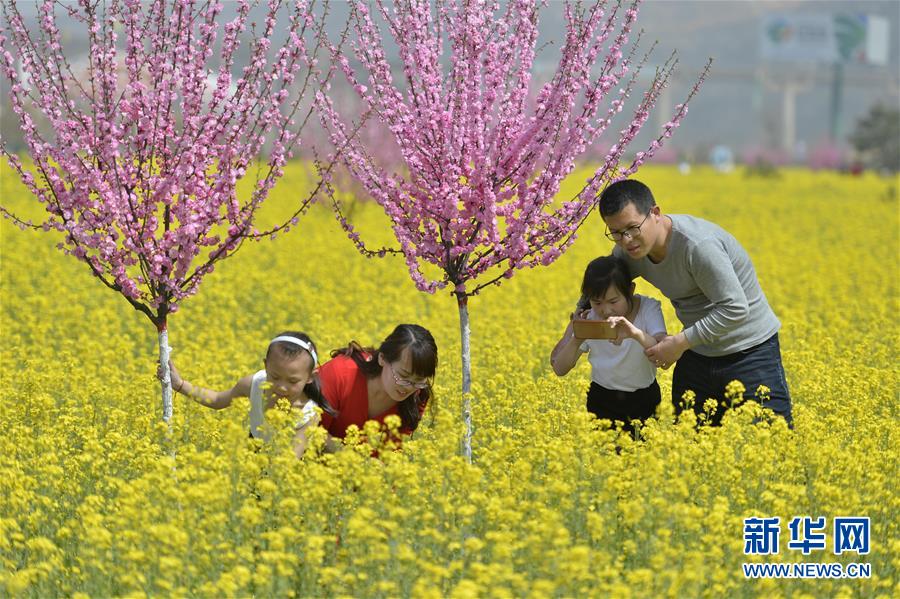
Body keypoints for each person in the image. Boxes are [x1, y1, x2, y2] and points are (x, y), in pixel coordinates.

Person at [597, 179, 792, 426]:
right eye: (615, 233)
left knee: (773, 442)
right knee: (690, 448)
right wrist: (582, 316)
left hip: (750, 351)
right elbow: (604, 283)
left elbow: (735, 308)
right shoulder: (630, 252)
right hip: (699, 353)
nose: (626, 240)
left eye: (633, 228)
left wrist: (679, 343)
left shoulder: (698, 247)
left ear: (655, 213)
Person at [166, 331, 336, 458]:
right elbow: (218, 400)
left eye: (292, 382)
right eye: (275, 377)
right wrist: (180, 384)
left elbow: (291, 459)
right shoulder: (253, 383)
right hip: (254, 450)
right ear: (265, 366)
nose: (282, 387)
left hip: (289, 463)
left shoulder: (309, 412)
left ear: (310, 378)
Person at [551, 255, 667, 436]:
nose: (605, 310)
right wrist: (577, 337)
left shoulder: (648, 308)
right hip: (602, 401)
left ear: (630, 290)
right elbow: (559, 368)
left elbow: (662, 351)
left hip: (645, 399)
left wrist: (634, 333)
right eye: (597, 302)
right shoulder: (590, 317)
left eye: (613, 301)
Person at [317, 324, 437, 449]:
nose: (409, 387)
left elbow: (392, 455)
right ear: (382, 359)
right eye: (403, 376)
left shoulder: (417, 395)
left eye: (419, 380)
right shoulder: (339, 374)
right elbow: (309, 431)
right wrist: (352, 460)